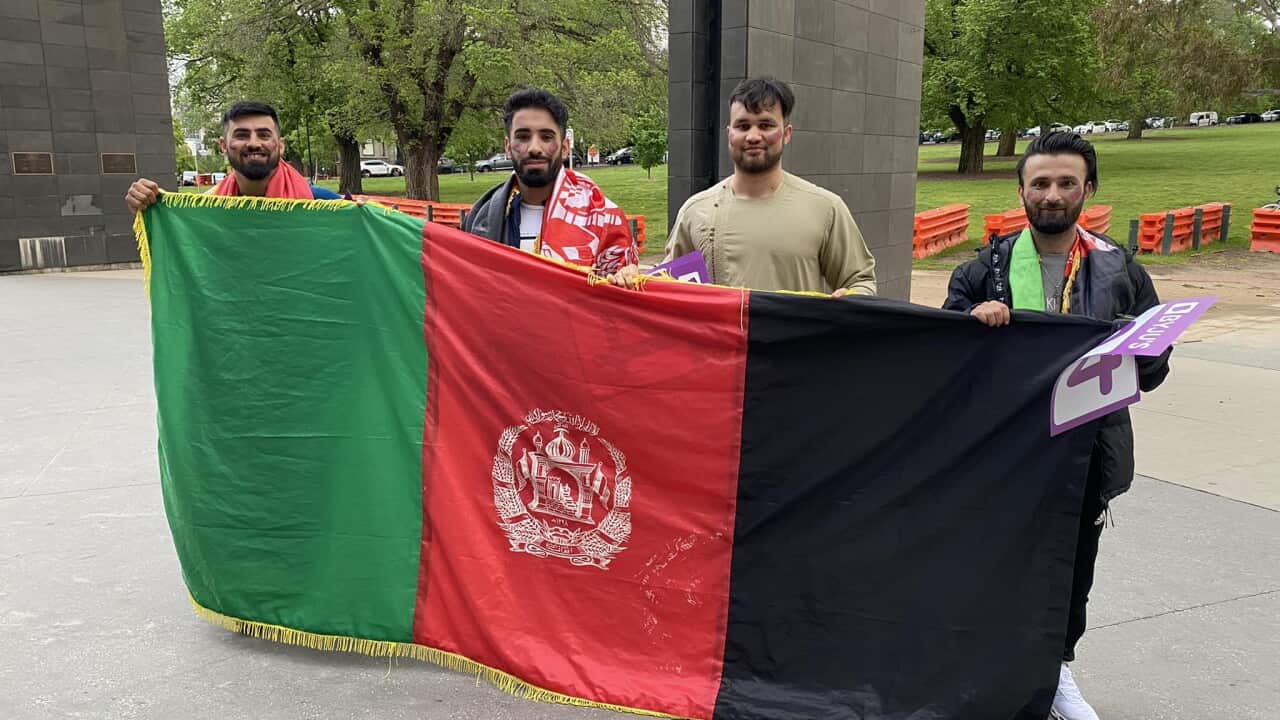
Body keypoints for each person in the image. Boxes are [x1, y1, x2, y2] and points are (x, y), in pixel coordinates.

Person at [942, 132, 1171, 720]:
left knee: (1072, 570)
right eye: (1040, 183)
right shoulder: (982, 270)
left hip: (1085, 450)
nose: (1052, 195)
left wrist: (1132, 344)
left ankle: (1055, 672)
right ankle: (985, 673)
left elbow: (1153, 369)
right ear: (1021, 190)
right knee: (990, 567)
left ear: (1087, 191)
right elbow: (943, 360)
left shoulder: (1120, 268)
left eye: (1066, 183)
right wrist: (973, 325)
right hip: (1002, 452)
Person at [662, 76, 876, 296]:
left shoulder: (826, 209)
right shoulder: (695, 211)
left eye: (766, 125)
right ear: (729, 134)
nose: (753, 136)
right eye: (743, 126)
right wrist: (629, 281)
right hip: (721, 332)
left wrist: (854, 298)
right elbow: (664, 289)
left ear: (786, 134)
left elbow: (861, 281)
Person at [462, 89, 639, 287]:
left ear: (564, 148)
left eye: (546, 137)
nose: (534, 148)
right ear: (507, 146)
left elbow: (624, 305)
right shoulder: (479, 220)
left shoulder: (605, 218)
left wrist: (628, 278)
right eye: (522, 137)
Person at [125, 101, 340, 213]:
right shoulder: (205, 210)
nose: (254, 143)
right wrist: (148, 208)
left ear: (280, 146)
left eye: (264, 135)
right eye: (241, 135)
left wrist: (364, 219)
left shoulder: (324, 205)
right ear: (223, 146)